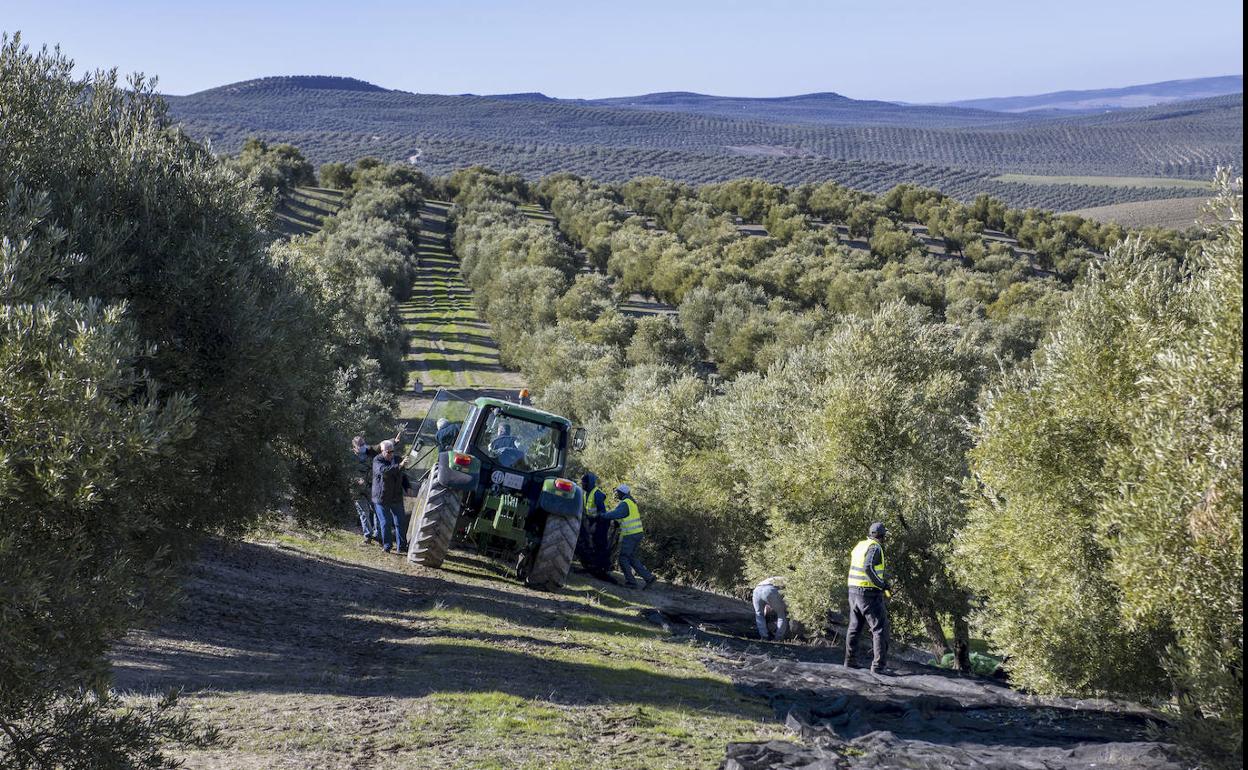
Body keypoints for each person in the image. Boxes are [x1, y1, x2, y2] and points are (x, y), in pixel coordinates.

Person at [845, 521, 892, 674]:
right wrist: (881, 584)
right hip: (868, 593)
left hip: (853, 592)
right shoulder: (874, 547)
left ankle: (850, 661)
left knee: (854, 627)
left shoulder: (860, 545)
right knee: (879, 628)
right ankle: (878, 667)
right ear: (883, 536)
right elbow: (867, 566)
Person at [597, 484, 656, 589]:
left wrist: (602, 516)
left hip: (631, 534)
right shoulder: (631, 502)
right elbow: (624, 516)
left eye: (617, 492)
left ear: (622, 493)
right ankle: (649, 578)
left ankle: (631, 582)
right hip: (637, 533)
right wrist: (617, 523)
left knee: (623, 558)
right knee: (631, 557)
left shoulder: (625, 503)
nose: (616, 494)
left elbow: (616, 514)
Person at [372, 439, 411, 555]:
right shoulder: (377, 460)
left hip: (396, 496)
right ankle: (387, 546)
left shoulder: (398, 459)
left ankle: (402, 547)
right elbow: (384, 472)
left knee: (400, 522)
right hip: (382, 497)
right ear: (382, 451)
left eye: (392, 451)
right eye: (388, 452)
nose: (390, 454)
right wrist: (399, 466)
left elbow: (403, 475)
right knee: (385, 522)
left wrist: (407, 486)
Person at [578, 472, 614, 581]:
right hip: (593, 521)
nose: (582, 484)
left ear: (590, 483)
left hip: (601, 522)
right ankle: (594, 566)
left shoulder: (597, 493)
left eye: (584, 483)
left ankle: (603, 568)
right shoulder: (586, 494)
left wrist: (594, 524)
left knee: (600, 544)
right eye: (582, 482)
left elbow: (601, 512)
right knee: (591, 543)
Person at [350, 435, 381, 545]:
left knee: (377, 510)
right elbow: (345, 471)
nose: (363, 446)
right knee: (364, 512)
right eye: (360, 445)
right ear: (354, 446)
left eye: (363, 444)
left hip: (371, 487)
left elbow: (381, 447)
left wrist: (394, 441)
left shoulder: (370, 453)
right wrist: (356, 479)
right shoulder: (349, 457)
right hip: (356, 490)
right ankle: (368, 536)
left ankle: (378, 535)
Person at [753, 576, 790, 641]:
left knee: (759, 614)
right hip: (770, 589)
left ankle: (764, 636)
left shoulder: (776, 578)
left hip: (757, 589)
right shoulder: (790, 580)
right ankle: (778, 638)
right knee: (781, 615)